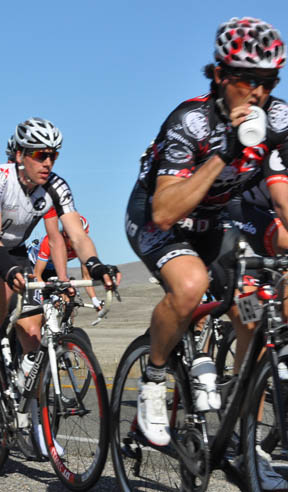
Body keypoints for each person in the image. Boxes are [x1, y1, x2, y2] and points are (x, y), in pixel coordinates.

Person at [125, 17, 288, 455]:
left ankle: (245, 441)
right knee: (190, 285)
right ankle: (154, 379)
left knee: (252, 313)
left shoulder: (278, 117)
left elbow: (284, 196)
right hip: (158, 217)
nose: (259, 93)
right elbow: (165, 211)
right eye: (248, 79)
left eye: (269, 80)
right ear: (219, 75)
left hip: (216, 222)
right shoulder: (191, 121)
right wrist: (224, 152)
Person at [0, 117, 119, 404]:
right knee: (4, 285)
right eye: (40, 154)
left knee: (33, 330)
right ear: (20, 155)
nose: (48, 163)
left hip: (14, 250)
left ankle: (32, 416)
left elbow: (76, 236)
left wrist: (96, 264)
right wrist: (8, 270)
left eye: (53, 156)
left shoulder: (56, 186)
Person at [28, 215, 102, 309]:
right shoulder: (50, 241)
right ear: (65, 234)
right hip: (34, 264)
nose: (77, 241)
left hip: (54, 266)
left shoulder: (82, 248)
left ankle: (63, 317)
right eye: (73, 237)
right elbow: (37, 274)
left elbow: (86, 278)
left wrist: (94, 300)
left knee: (68, 297)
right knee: (40, 301)